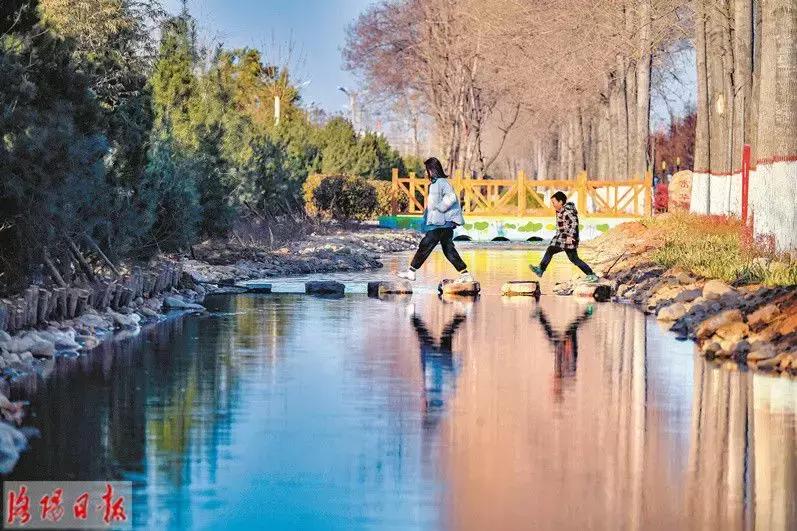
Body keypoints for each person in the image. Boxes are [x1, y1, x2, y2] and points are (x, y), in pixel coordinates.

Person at [397, 157, 473, 283]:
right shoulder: (436, 183)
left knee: (426, 244)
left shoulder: (441, 182)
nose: (427, 172)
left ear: (432, 169)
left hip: (441, 224)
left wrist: (440, 208)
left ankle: (411, 272)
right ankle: (465, 274)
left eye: (428, 169)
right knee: (448, 249)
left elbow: (451, 197)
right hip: (443, 224)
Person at [529, 191, 598, 282]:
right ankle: (540, 270)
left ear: (560, 202)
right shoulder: (560, 211)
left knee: (566, 256)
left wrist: (570, 236)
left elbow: (574, 223)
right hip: (563, 239)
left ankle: (591, 274)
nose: (553, 204)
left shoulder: (567, 211)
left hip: (568, 239)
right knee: (565, 255)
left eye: (554, 202)